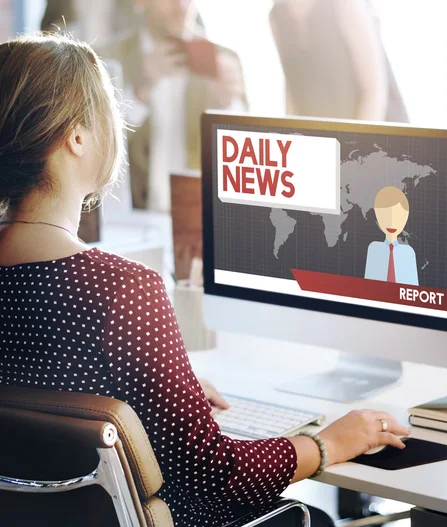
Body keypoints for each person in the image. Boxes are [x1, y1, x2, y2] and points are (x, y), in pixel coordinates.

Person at [0, 34, 411, 527]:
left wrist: (159, 386)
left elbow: (40, 386)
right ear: (77, 137)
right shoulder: (122, 292)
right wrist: (328, 444)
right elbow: (214, 476)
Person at [100, 0, 247, 211]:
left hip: (198, 213)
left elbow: (242, 159)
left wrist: (226, 104)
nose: (181, 6)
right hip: (130, 216)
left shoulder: (224, 59)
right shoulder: (108, 58)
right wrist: (139, 92)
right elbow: (97, 146)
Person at [270, 0, 409, 122]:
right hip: (329, 136)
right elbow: (293, 85)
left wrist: (355, 144)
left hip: (376, 128)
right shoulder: (276, 16)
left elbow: (375, 91)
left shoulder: (346, 4)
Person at [364, 187, 419, 285]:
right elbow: (368, 286)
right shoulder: (374, 249)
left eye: (398, 217)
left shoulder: (408, 252)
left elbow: (412, 287)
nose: (391, 222)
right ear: (377, 220)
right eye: (385, 216)